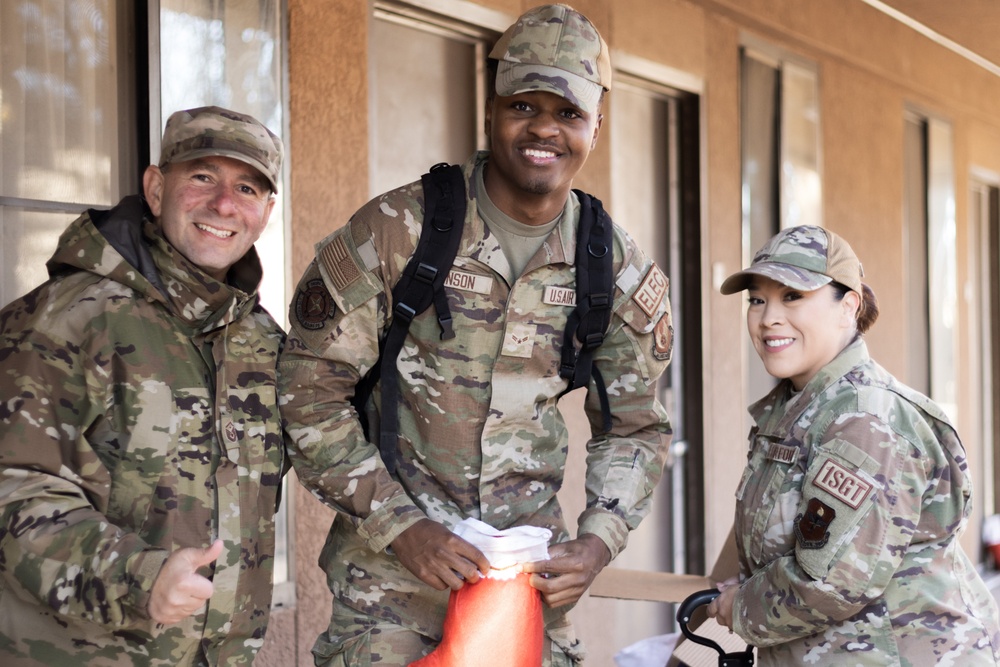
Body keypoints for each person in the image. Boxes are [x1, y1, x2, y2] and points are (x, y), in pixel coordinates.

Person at [278, 4, 673, 665]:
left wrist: (599, 539)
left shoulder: (614, 266)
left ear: (596, 126)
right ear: (492, 109)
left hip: (522, 589)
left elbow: (635, 426)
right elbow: (307, 388)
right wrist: (399, 524)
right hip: (392, 590)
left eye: (569, 113)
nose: (544, 128)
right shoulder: (399, 231)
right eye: (525, 105)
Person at [0, 106, 287, 665]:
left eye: (247, 187)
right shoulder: (65, 318)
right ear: (156, 189)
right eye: (202, 176)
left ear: (266, 211)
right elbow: (13, 489)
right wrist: (139, 576)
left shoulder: (258, 338)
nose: (224, 204)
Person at [706, 225, 1000, 664]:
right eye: (757, 299)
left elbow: (830, 583)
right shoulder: (799, 408)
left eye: (792, 296)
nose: (768, 318)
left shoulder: (865, 418)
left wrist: (741, 606)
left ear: (849, 306)